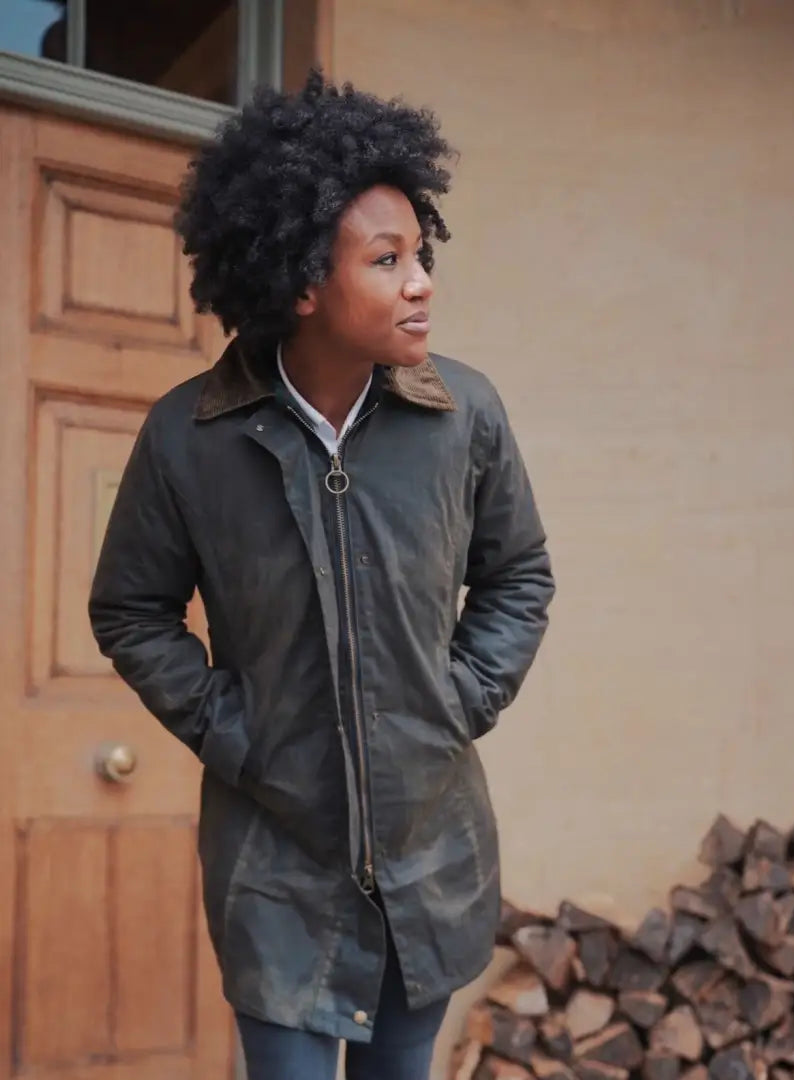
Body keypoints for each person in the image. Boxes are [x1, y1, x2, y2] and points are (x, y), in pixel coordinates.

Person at [88, 69, 555, 1080]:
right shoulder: (189, 437)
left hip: (430, 859)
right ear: (301, 280)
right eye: (386, 261)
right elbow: (130, 608)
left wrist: (456, 700)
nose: (421, 281)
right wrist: (235, 731)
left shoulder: (463, 417)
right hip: (277, 866)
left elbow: (519, 576)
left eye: (420, 256)